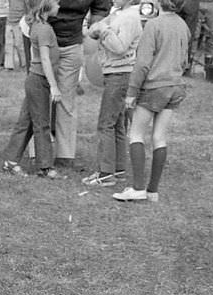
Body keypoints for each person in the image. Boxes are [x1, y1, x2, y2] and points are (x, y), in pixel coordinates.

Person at [113, 0, 190, 202]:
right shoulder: (183, 25)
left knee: (136, 134)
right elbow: (185, 60)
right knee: (159, 137)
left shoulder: (153, 25)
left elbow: (142, 64)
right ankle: (153, 191)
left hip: (155, 87)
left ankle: (138, 188)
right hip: (175, 86)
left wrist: (132, 91)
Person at [81, 0, 142, 188]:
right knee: (117, 123)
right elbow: (92, 30)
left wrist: (104, 31)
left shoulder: (130, 17)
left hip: (120, 74)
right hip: (114, 72)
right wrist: (100, 29)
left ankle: (106, 173)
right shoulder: (117, 14)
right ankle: (118, 168)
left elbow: (120, 47)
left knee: (106, 123)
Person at [2, 0, 64, 178]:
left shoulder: (40, 25)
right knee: (42, 124)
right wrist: (54, 86)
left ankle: (10, 162)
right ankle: (45, 167)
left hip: (35, 80)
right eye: (56, 3)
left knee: (25, 123)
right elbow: (44, 59)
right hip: (39, 81)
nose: (59, 6)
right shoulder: (43, 29)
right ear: (46, 6)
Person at [48, 0, 110, 168]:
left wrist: (95, 27)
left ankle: (65, 156)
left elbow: (100, 8)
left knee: (67, 99)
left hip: (72, 42)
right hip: (44, 38)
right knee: (40, 99)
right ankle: (39, 154)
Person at [6, 0, 29, 70]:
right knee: (8, 45)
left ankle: (24, 64)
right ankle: (9, 66)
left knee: (19, 45)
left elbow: (27, 7)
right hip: (9, 21)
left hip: (19, 22)